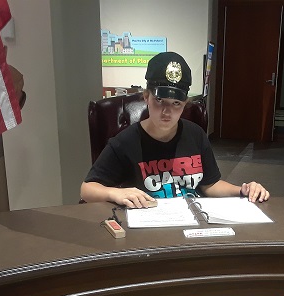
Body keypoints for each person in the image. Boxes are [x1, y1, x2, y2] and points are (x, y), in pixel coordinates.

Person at [81, 51, 270, 208]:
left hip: (193, 221)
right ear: (146, 97)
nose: (167, 111)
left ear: (185, 104)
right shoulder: (125, 142)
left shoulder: (196, 135)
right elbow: (87, 190)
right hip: (148, 226)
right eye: (159, 101)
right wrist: (116, 193)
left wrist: (242, 190)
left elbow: (210, 185)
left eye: (176, 103)